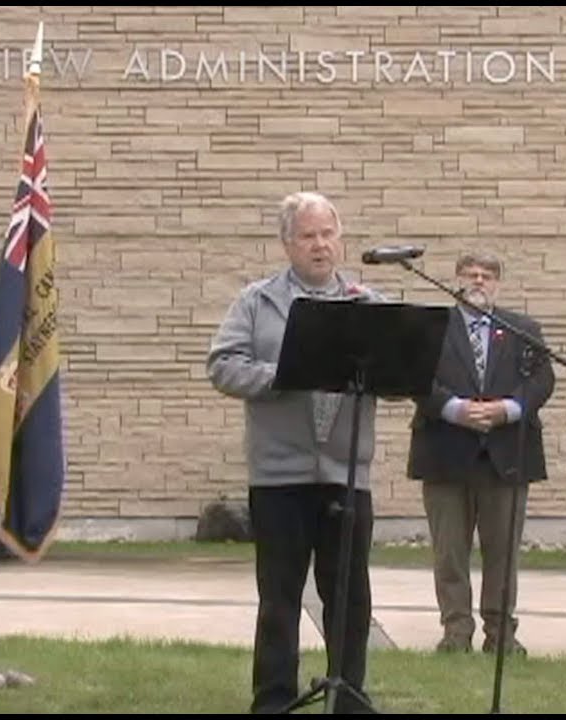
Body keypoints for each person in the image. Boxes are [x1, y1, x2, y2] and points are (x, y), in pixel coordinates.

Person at [205, 191, 384, 713]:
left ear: (340, 238)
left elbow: (398, 370)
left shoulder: (366, 305)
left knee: (349, 599)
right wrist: (284, 376)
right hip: (280, 478)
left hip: (347, 474)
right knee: (280, 599)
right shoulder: (257, 302)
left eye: (328, 234)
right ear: (287, 243)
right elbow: (222, 365)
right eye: (308, 236)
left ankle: (347, 695)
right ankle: (273, 700)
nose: (320, 245)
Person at [406, 252, 555, 655]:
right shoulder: (433, 327)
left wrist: (509, 409)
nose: (478, 281)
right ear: (455, 280)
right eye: (470, 274)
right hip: (444, 452)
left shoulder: (521, 328)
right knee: (450, 551)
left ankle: (501, 633)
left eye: (487, 276)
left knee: (502, 553)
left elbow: (542, 379)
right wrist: (455, 409)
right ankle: (456, 631)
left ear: (498, 284)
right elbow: (416, 377)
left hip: (505, 455)